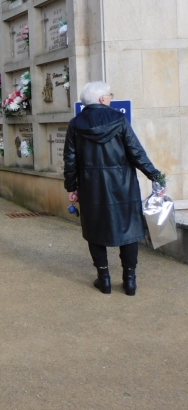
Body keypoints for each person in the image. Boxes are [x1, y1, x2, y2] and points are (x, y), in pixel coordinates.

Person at [63, 81, 163, 296]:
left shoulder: (75, 124)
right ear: (101, 99)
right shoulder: (119, 120)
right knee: (128, 231)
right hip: (122, 185)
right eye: (109, 95)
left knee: (95, 230)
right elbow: (136, 152)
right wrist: (155, 177)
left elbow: (70, 159)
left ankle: (104, 279)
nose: (111, 98)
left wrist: (71, 186)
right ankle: (129, 281)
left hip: (91, 186)